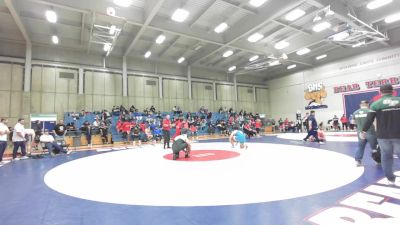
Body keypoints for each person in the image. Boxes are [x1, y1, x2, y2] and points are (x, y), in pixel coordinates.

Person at [362, 84, 400, 185]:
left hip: (383, 136)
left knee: (386, 157)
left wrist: (363, 131)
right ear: (393, 91)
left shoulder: (375, 104)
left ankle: (390, 179)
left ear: (380, 92)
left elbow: (369, 120)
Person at [353, 100, 378, 167]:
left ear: (360, 105)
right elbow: (374, 122)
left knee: (360, 147)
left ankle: (358, 161)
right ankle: (377, 160)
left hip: (360, 133)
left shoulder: (355, 112)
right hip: (370, 132)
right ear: (368, 104)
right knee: (374, 148)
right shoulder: (370, 111)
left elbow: (353, 122)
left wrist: (360, 123)